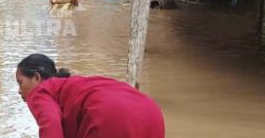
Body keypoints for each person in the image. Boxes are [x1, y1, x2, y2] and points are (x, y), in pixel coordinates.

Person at [16, 54, 165, 138]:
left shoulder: (40, 91)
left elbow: (51, 125)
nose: (19, 91)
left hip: (111, 114)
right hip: (150, 112)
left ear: (36, 77)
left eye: (20, 83)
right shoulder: (74, 86)